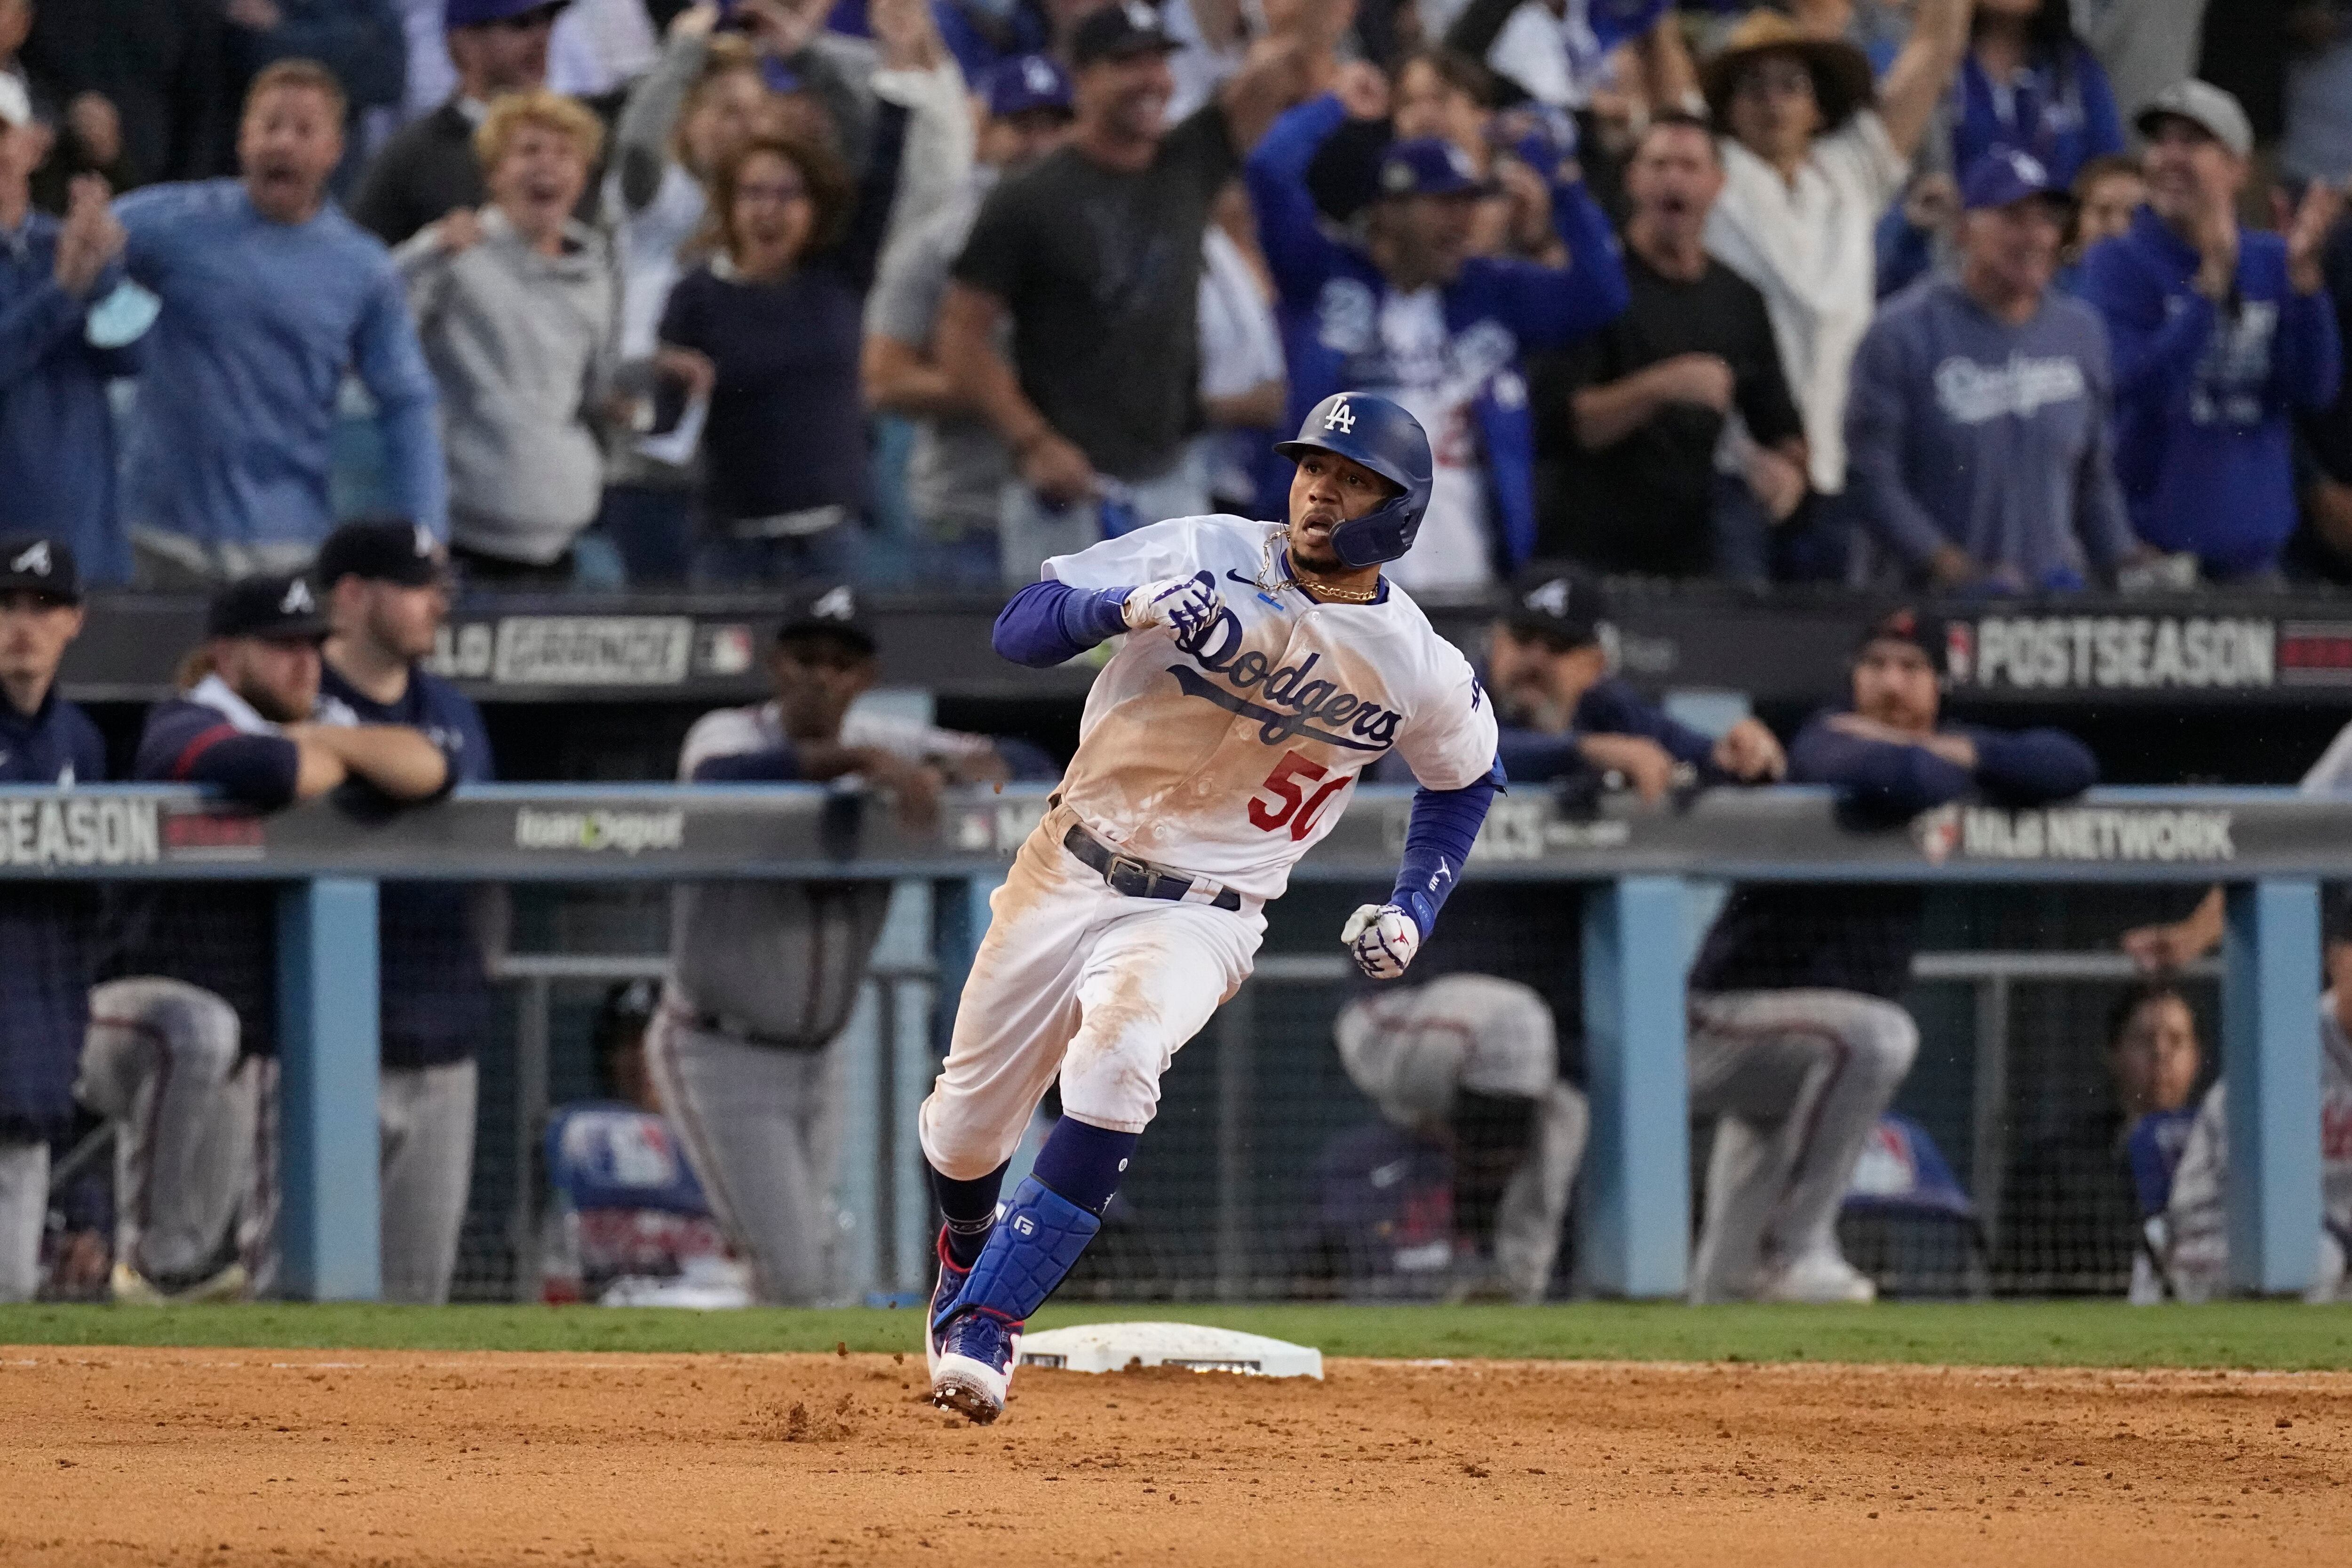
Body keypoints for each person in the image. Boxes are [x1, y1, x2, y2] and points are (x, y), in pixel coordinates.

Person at [923, 391, 1501, 1423]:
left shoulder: (1415, 660)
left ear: (1399, 511)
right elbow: (1019, 630)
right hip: (1067, 864)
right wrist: (1122, 609)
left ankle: (988, 1324)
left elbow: (1465, 778)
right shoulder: (1202, 545)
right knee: (964, 1134)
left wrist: (1416, 903)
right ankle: (967, 1251)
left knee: (1119, 1054)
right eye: (1314, 467)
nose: (1322, 489)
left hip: (1205, 909)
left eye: (1353, 478)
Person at [1684, 607, 2097, 1304]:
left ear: (1940, 684)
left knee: (1724, 1290)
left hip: (1804, 1052)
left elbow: (2070, 765)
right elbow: (1901, 781)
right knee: (1878, 1037)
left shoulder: (1942, 745)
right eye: (1876, 665)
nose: (1892, 683)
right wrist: (1958, 759)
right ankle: (1797, 1246)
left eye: (1911, 669)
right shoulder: (1824, 737)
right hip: (1724, 1022)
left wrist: (1960, 752)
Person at [82, 572, 452, 1302]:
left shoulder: (311, 715)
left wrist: (318, 736)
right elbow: (273, 769)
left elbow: (434, 767)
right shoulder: (183, 720)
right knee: (199, 1032)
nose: (304, 663)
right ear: (227, 657)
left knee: (232, 1266)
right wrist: (326, 748)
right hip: (128, 1015)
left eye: (312, 646)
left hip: (241, 1041)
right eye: (281, 647)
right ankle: (149, 1265)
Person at [652, 586, 1019, 1303]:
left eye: (841, 663)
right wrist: (859, 763)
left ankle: (748, 1410)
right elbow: (717, 781)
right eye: (806, 658)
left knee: (809, 1263)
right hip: (719, 1048)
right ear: (775, 665)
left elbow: (1016, 759)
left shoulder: (892, 740)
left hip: (823, 1057)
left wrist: (943, 771)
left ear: (866, 678)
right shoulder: (727, 734)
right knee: (795, 1274)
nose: (822, 676)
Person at [937, 0, 1338, 583]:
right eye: (1128, 63)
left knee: (1179, 667)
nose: (1152, 79)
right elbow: (960, 335)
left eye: (1160, 62)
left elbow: (1283, 64)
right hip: (1068, 489)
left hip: (1174, 477)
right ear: (1082, 78)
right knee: (1062, 669)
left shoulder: (1188, 160)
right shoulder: (1030, 197)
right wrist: (1032, 442)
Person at [1246, 74, 1628, 595]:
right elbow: (1268, 169)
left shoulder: (1492, 294)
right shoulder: (1320, 274)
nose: (1464, 221)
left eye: (1470, 203)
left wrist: (1559, 181)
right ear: (1388, 211)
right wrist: (1334, 106)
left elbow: (1603, 294)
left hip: (1470, 576)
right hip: (1325, 583)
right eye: (1444, 204)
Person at [113, 60, 445, 586]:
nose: (283, 144)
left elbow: (406, 401)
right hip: (157, 537)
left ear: (335, 151)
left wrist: (426, 533)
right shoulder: (171, 224)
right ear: (243, 139)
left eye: (304, 130)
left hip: (287, 544)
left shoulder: (362, 268)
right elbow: (75, 255)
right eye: (270, 126)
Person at [1699, 0, 1976, 581]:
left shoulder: (1848, 172)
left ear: (1817, 107)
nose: (1771, 101)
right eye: (1751, 87)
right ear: (1727, 107)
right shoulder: (1707, 174)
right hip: (1738, 463)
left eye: (1788, 85)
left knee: (1835, 651)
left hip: (1839, 460)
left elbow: (1930, 57)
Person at [314, 519, 493, 1305]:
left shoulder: (452, 708)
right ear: (353, 595)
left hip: (441, 1035)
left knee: (417, 1298)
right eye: (417, 587)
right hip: (321, 1049)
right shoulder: (299, 692)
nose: (436, 605)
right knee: (300, 1285)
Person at [2080, 80, 2343, 583]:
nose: (2170, 157)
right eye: (2161, 142)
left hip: (2253, 561)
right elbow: (2135, 386)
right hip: (2149, 558)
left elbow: (2313, 389)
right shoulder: (2116, 263)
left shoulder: (2271, 261)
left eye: (2193, 141)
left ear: (2238, 169)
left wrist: (2308, 287)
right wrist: (2208, 290)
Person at [1845, 148, 2138, 592]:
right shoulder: (1901, 332)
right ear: (1963, 230)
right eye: (2013, 219)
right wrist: (1949, 566)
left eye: (2046, 220)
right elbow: (1872, 479)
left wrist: (2124, 562)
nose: (2034, 237)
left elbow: (2093, 477)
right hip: (1923, 615)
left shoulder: (2080, 332)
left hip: (2046, 610)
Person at [1531, 110, 1805, 581]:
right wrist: (1663, 386)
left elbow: (1781, 427)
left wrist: (1785, 472)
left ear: (1717, 184)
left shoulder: (1737, 298)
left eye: (1688, 166)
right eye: (1658, 165)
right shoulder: (1591, 286)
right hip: (1591, 550)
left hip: (1697, 552)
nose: (1672, 179)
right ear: (1632, 179)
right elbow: (1569, 426)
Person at [655, 124, 901, 585]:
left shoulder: (840, 276)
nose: (769, 210)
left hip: (829, 543)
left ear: (814, 208)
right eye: (753, 193)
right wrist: (664, 381)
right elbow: (663, 427)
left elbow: (881, 182)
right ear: (729, 205)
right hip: (731, 546)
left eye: (787, 194)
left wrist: (898, 96)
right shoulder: (696, 296)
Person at [863, 53, 1074, 586]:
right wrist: (1006, 394)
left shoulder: (1101, 229)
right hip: (968, 510)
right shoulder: (938, 244)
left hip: (1084, 508)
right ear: (984, 133)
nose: (1038, 145)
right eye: (1021, 127)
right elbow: (883, 380)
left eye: (1054, 127)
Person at [394, 88, 612, 586]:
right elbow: (375, 325)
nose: (547, 167)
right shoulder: (455, 254)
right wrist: (423, 254)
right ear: (494, 174)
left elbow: (596, 390)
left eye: (564, 154)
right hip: (465, 543)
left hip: (563, 539)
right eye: (529, 151)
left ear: (582, 177)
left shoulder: (597, 271)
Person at [0, 534, 103, 1303]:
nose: (22, 624)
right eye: (6, 604)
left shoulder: (81, 743)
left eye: (44, 606)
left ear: (76, 620)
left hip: (31, 1055)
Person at [2159, 901, 2352, 1304]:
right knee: (2321, 1257)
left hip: (2321, 1241)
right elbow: (2255, 1180)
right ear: (2336, 959)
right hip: (2217, 1231)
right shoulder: (2294, 1040)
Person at [0, 78, 142, 588]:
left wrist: (106, 275)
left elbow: (133, 354)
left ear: (33, 145)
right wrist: (65, 292)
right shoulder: (63, 264)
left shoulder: (67, 243)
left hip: (83, 541)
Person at [1482, 570, 1787, 799]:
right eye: (1522, 639)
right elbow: (1468, 750)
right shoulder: (1456, 689)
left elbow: (1690, 752)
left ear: (1595, 666)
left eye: (1558, 646)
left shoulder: (1608, 708)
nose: (1535, 660)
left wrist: (1734, 755)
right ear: (1495, 642)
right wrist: (1584, 751)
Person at [1996, 979, 2203, 1293]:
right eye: (2145, 1039)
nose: (2161, 1053)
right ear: (2113, 1053)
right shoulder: (2056, 1166)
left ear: (2197, 1057)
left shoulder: (2222, 1161)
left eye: (2176, 1040)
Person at [353, 0, 570, 247]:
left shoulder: (570, 143)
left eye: (548, 21)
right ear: (466, 43)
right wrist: (432, 245)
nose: (542, 39)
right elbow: (364, 271)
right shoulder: (415, 155)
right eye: (521, 25)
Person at [2055, 150, 2140, 293]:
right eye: (2103, 212)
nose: (2118, 227)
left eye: (2134, 214)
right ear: (2077, 219)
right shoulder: (2047, 289)